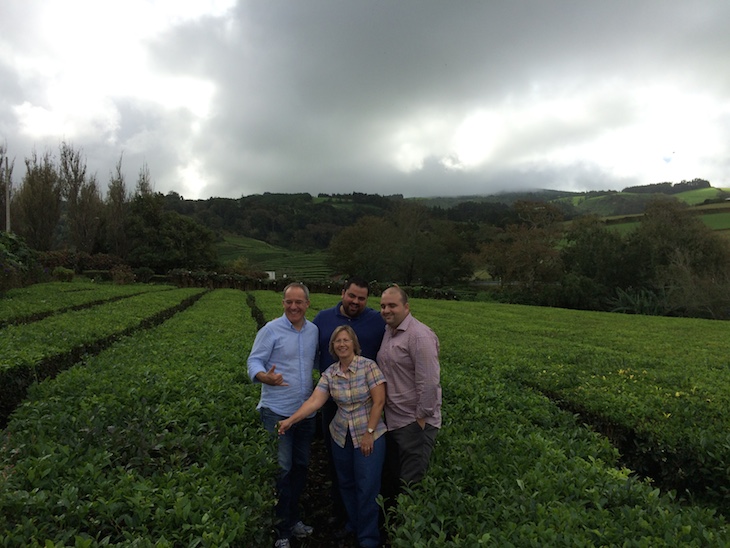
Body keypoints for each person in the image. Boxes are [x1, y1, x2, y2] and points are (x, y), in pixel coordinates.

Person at [278, 325, 387, 548]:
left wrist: (369, 432)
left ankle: (368, 538)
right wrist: (291, 420)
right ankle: (353, 525)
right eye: (338, 341)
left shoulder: (369, 367)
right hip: (340, 435)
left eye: (346, 340)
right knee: (345, 483)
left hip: (368, 434)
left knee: (367, 486)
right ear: (333, 347)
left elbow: (379, 402)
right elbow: (314, 402)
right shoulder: (330, 373)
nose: (342, 344)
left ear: (354, 344)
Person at [247, 282, 319, 548]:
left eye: (299, 302)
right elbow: (253, 361)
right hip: (276, 412)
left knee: (300, 468)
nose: (293, 306)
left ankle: (294, 519)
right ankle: (282, 530)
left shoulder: (313, 331)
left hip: (304, 413)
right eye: (289, 301)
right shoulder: (271, 330)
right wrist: (264, 376)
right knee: (282, 470)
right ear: (283, 303)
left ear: (307, 304)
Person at [312, 277, 386, 529]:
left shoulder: (376, 320)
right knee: (338, 465)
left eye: (361, 298)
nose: (355, 302)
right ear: (343, 293)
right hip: (333, 400)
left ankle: (367, 525)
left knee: (366, 472)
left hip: (366, 402)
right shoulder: (322, 318)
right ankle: (343, 513)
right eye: (351, 296)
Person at [377, 285, 441, 495]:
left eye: (392, 305)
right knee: (395, 480)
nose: (387, 310)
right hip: (394, 420)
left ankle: (406, 524)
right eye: (383, 306)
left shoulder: (419, 336)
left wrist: (420, 419)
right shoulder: (389, 331)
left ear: (406, 307)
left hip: (413, 422)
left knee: (411, 484)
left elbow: (429, 381)